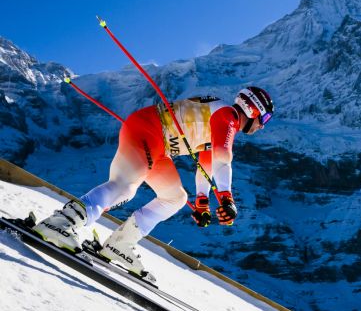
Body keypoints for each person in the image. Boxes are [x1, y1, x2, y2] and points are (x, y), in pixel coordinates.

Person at [33, 87, 274, 277]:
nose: (263, 125)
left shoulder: (221, 122)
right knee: (124, 186)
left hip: (159, 147)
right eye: (265, 118)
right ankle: (60, 223)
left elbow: (206, 167)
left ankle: (119, 244)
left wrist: (202, 202)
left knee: (175, 198)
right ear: (253, 110)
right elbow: (224, 159)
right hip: (147, 131)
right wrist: (227, 199)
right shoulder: (228, 116)